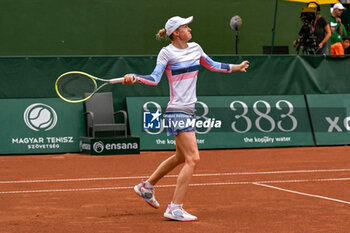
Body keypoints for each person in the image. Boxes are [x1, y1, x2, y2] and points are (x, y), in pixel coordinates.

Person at [122, 16, 249, 221]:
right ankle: (175, 207)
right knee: (194, 158)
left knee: (181, 157)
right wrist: (135, 77)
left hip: (189, 110)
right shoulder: (166, 52)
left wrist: (236, 67)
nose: (189, 29)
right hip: (177, 111)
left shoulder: (196, 48)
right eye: (185, 27)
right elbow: (154, 79)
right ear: (175, 33)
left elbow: (213, 65)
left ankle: (146, 187)